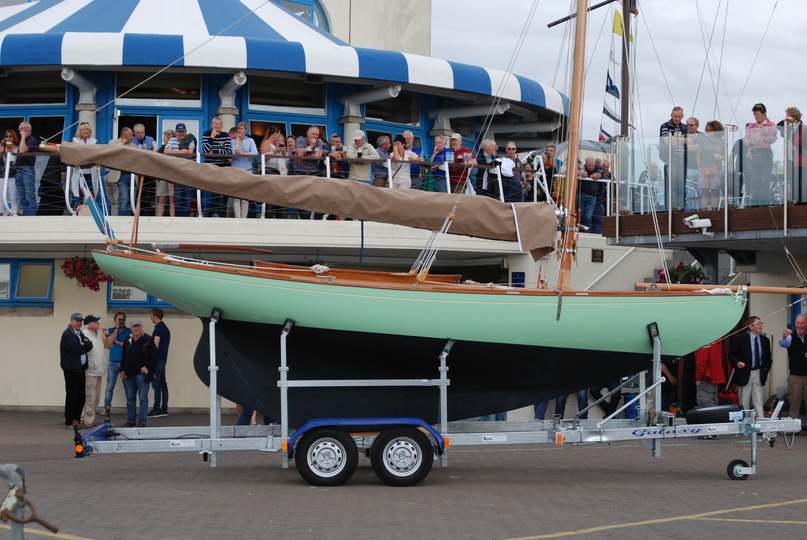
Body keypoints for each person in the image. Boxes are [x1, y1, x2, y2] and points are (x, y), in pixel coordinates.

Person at [728, 315, 771, 418]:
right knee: (744, 400)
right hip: (744, 372)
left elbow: (768, 358)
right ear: (751, 326)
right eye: (758, 323)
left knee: (759, 399)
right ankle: (745, 421)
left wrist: (765, 369)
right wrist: (737, 363)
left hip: (758, 372)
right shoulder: (741, 339)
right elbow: (731, 354)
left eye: (761, 323)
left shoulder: (765, 340)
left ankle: (760, 421)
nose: (761, 325)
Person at [121, 320, 158, 428]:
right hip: (129, 375)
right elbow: (123, 356)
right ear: (131, 328)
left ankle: (142, 421)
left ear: (142, 327)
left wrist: (147, 367)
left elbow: (155, 357)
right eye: (134, 327)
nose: (136, 328)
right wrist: (122, 370)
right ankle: (131, 420)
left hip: (142, 375)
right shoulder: (127, 340)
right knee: (130, 399)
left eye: (138, 326)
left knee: (143, 399)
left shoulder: (148, 339)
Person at [60, 312, 93, 429]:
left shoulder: (79, 333)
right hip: (71, 369)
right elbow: (77, 350)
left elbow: (90, 345)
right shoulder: (68, 334)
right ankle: (69, 421)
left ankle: (77, 421)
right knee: (72, 395)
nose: (79, 323)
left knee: (80, 396)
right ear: (71, 322)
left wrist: (84, 343)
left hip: (80, 368)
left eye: (80, 321)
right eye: (77, 321)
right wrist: (84, 344)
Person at [743, 103, 777, 207]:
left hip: (765, 155)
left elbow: (773, 139)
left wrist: (765, 133)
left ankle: (764, 206)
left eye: (757, 114)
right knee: (754, 182)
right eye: (754, 114)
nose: (756, 117)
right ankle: (755, 206)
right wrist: (752, 142)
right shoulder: (751, 126)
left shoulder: (771, 125)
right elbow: (745, 141)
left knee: (764, 182)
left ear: (764, 114)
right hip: (752, 155)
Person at [778, 313, 807, 431]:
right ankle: (792, 427)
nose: (799, 326)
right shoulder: (791, 337)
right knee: (794, 401)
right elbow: (782, 343)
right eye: (797, 323)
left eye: (802, 323)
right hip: (795, 375)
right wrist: (784, 336)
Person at [163, 123, 197, 217]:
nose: (181, 133)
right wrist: (180, 152)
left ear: (186, 131)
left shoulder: (190, 139)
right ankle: (178, 219)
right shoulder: (172, 140)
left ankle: (185, 219)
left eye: (182, 131)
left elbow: (190, 152)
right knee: (178, 198)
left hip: (188, 173)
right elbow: (166, 151)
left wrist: (174, 153)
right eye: (179, 131)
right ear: (176, 132)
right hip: (177, 172)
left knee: (187, 198)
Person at [202, 117, 233, 217]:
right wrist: (212, 137)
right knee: (215, 192)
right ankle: (213, 215)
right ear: (212, 125)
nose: (217, 126)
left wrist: (214, 151)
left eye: (219, 124)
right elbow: (206, 150)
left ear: (222, 126)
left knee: (224, 193)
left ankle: (222, 215)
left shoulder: (225, 135)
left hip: (224, 168)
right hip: (212, 168)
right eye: (215, 124)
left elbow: (227, 151)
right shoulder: (206, 134)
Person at [659, 106, 687, 211]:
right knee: (670, 185)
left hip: (682, 159)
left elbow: (690, 141)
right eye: (675, 116)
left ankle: (681, 208)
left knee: (681, 186)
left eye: (679, 116)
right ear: (671, 115)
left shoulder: (684, 127)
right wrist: (681, 139)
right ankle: (669, 209)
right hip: (670, 159)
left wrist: (675, 138)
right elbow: (666, 141)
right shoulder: (665, 126)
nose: (677, 119)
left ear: (682, 116)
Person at [81, 315, 106, 427]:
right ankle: (87, 419)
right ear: (90, 325)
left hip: (99, 370)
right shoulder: (84, 335)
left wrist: (107, 335)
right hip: (90, 371)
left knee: (96, 397)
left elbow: (108, 345)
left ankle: (85, 417)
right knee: (90, 396)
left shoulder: (98, 335)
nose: (98, 324)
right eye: (96, 322)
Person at [71, 122, 103, 210]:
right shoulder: (75, 140)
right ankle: (79, 210)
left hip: (90, 171)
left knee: (91, 191)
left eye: (88, 129)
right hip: (79, 171)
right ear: (80, 131)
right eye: (84, 129)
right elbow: (73, 154)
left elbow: (96, 154)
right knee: (80, 193)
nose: (86, 131)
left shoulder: (94, 141)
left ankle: (91, 210)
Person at [777, 107, 806, 203]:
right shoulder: (788, 128)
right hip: (790, 161)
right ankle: (796, 202)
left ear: (794, 117)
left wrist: (795, 148)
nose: (786, 119)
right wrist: (785, 120)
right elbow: (778, 126)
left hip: (801, 162)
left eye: (787, 116)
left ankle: (803, 204)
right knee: (793, 184)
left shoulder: (804, 129)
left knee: (802, 185)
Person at [104, 312, 131, 412]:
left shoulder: (129, 331)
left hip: (125, 363)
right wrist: (116, 329)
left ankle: (131, 410)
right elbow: (108, 344)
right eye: (119, 319)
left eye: (123, 319)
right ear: (115, 320)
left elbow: (127, 345)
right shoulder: (110, 330)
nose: (121, 321)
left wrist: (115, 341)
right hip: (113, 363)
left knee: (128, 388)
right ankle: (107, 409)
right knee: (109, 387)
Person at [107, 127, 137, 216]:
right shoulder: (113, 142)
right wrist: (122, 143)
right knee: (124, 198)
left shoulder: (133, 146)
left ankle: (129, 219)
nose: (133, 137)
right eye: (131, 135)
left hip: (132, 176)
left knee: (131, 199)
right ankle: (122, 219)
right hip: (120, 175)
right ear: (124, 135)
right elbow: (112, 151)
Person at [230, 121, 258, 218]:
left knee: (245, 197)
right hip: (236, 169)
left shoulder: (250, 141)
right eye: (238, 129)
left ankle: (244, 218)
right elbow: (233, 152)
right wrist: (237, 141)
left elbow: (254, 152)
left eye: (241, 129)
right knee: (236, 197)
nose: (239, 131)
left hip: (247, 168)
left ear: (246, 130)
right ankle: (238, 218)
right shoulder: (233, 141)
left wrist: (243, 154)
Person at [147, 308, 171, 418]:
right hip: (163, 359)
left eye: (151, 315)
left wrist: (150, 358)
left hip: (157, 360)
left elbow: (155, 345)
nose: (151, 318)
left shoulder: (158, 329)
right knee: (163, 384)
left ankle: (156, 409)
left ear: (155, 316)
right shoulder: (165, 328)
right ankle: (164, 408)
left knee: (156, 385)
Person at [697, 120, 725, 210]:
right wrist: (699, 164)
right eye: (708, 130)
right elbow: (698, 154)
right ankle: (704, 209)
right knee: (704, 191)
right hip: (704, 167)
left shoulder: (722, 142)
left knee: (714, 190)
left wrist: (721, 157)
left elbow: (725, 155)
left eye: (711, 130)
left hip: (716, 168)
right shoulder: (703, 140)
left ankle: (714, 210)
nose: (709, 132)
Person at [132, 123, 157, 216]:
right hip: (135, 172)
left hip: (148, 170)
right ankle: (135, 214)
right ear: (134, 133)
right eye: (138, 133)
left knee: (147, 195)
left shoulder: (150, 139)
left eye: (142, 132)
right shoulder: (132, 141)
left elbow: (155, 153)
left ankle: (146, 215)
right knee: (136, 194)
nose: (141, 135)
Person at [694, 340, 726, 409]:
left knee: (705, 407)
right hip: (715, 376)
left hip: (706, 377)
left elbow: (701, 361)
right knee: (714, 404)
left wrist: (698, 378)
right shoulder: (717, 341)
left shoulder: (704, 341)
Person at [15, 121, 38, 215]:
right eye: (22, 129)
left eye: (26, 128)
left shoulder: (32, 140)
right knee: (22, 197)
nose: (24, 130)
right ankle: (25, 216)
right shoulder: (21, 141)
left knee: (29, 196)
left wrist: (23, 137)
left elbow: (22, 150)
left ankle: (31, 217)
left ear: (30, 130)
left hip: (27, 170)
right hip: (18, 170)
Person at [155, 130, 176, 217]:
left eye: (164, 138)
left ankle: (172, 219)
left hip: (173, 176)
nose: (163, 140)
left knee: (172, 199)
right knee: (161, 198)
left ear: (169, 138)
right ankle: (158, 218)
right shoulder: (161, 149)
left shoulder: (175, 148)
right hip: (163, 176)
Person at [577, 157, 602, 230]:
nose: (591, 167)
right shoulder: (582, 168)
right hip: (582, 194)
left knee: (588, 217)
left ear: (594, 164)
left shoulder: (598, 168)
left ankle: (587, 231)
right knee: (580, 216)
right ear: (586, 164)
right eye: (589, 165)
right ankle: (579, 231)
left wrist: (591, 176)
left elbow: (599, 174)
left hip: (592, 196)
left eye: (592, 165)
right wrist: (581, 174)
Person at [684, 117, 702, 210]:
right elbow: (690, 148)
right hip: (689, 168)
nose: (689, 127)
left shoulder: (702, 136)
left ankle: (701, 210)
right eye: (687, 125)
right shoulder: (684, 136)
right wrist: (700, 146)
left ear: (697, 126)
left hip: (701, 168)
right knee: (690, 192)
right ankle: (691, 211)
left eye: (691, 125)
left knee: (701, 192)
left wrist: (697, 146)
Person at [2, 129, 20, 216]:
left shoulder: (17, 149)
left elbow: (18, 162)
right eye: (6, 136)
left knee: (13, 197)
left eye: (10, 136)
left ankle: (14, 213)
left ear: (14, 138)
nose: (8, 138)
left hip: (13, 175)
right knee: (1, 197)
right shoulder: (2, 149)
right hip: (2, 174)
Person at [591, 160, 611, 233]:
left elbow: (612, 185)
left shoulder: (609, 175)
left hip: (603, 199)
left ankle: (598, 233)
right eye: (604, 166)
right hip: (595, 198)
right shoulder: (595, 172)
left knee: (599, 219)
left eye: (607, 167)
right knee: (590, 218)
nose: (605, 168)